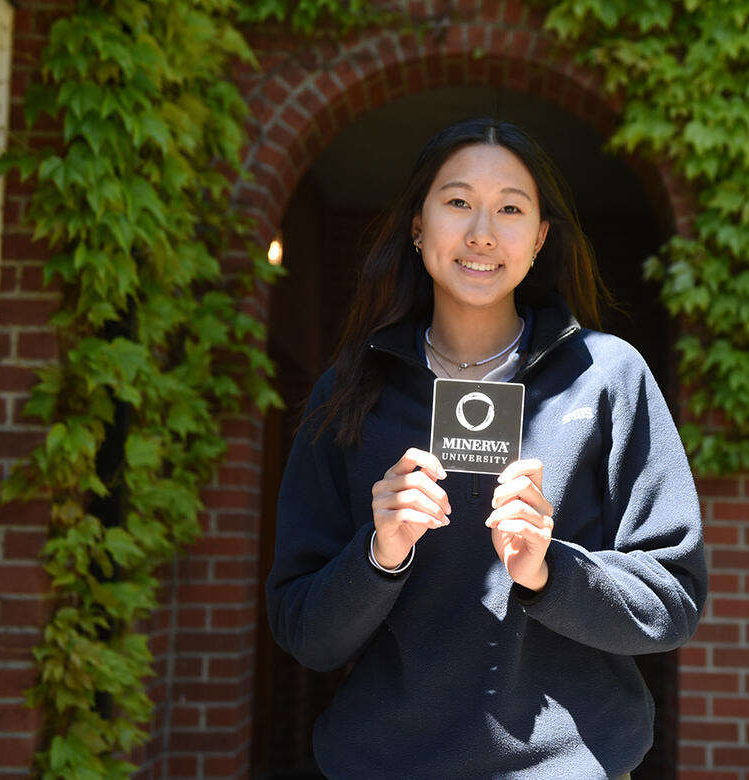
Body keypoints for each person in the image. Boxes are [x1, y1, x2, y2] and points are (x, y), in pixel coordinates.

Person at [265, 117, 708, 779]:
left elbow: (672, 600)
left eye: (509, 208)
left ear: (539, 239)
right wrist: (378, 555)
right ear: (418, 227)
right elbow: (304, 632)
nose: (481, 232)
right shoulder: (352, 391)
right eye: (457, 202)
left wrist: (550, 571)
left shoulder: (608, 377)